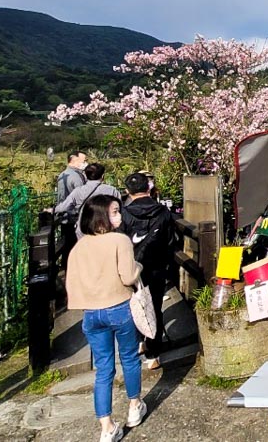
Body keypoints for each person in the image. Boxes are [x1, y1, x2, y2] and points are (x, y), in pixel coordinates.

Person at [66, 195, 147, 442]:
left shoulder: (79, 247)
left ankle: (107, 427)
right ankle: (134, 406)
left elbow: (72, 281)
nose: (119, 216)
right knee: (130, 359)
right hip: (119, 308)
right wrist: (139, 267)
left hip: (91, 314)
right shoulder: (119, 240)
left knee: (103, 369)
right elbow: (128, 276)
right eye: (114, 212)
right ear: (100, 216)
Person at [119, 172, 175, 370]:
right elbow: (170, 242)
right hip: (156, 268)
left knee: (133, 307)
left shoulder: (123, 214)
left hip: (130, 269)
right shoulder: (163, 212)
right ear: (148, 188)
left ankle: (139, 344)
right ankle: (153, 354)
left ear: (127, 191)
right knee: (155, 308)